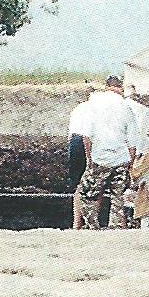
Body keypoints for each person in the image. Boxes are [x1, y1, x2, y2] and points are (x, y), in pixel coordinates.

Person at [77, 75, 137, 229]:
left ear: (106, 86)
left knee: (87, 194)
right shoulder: (126, 107)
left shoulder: (93, 105)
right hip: (121, 158)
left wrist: (89, 158)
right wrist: (130, 163)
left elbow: (86, 137)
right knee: (118, 197)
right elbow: (132, 142)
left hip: (100, 157)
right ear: (120, 88)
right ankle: (115, 227)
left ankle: (93, 226)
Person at [66, 92, 94, 230]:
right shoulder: (99, 108)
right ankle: (89, 222)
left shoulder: (79, 107)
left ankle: (77, 223)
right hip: (87, 140)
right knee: (94, 182)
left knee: (78, 184)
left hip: (74, 141)